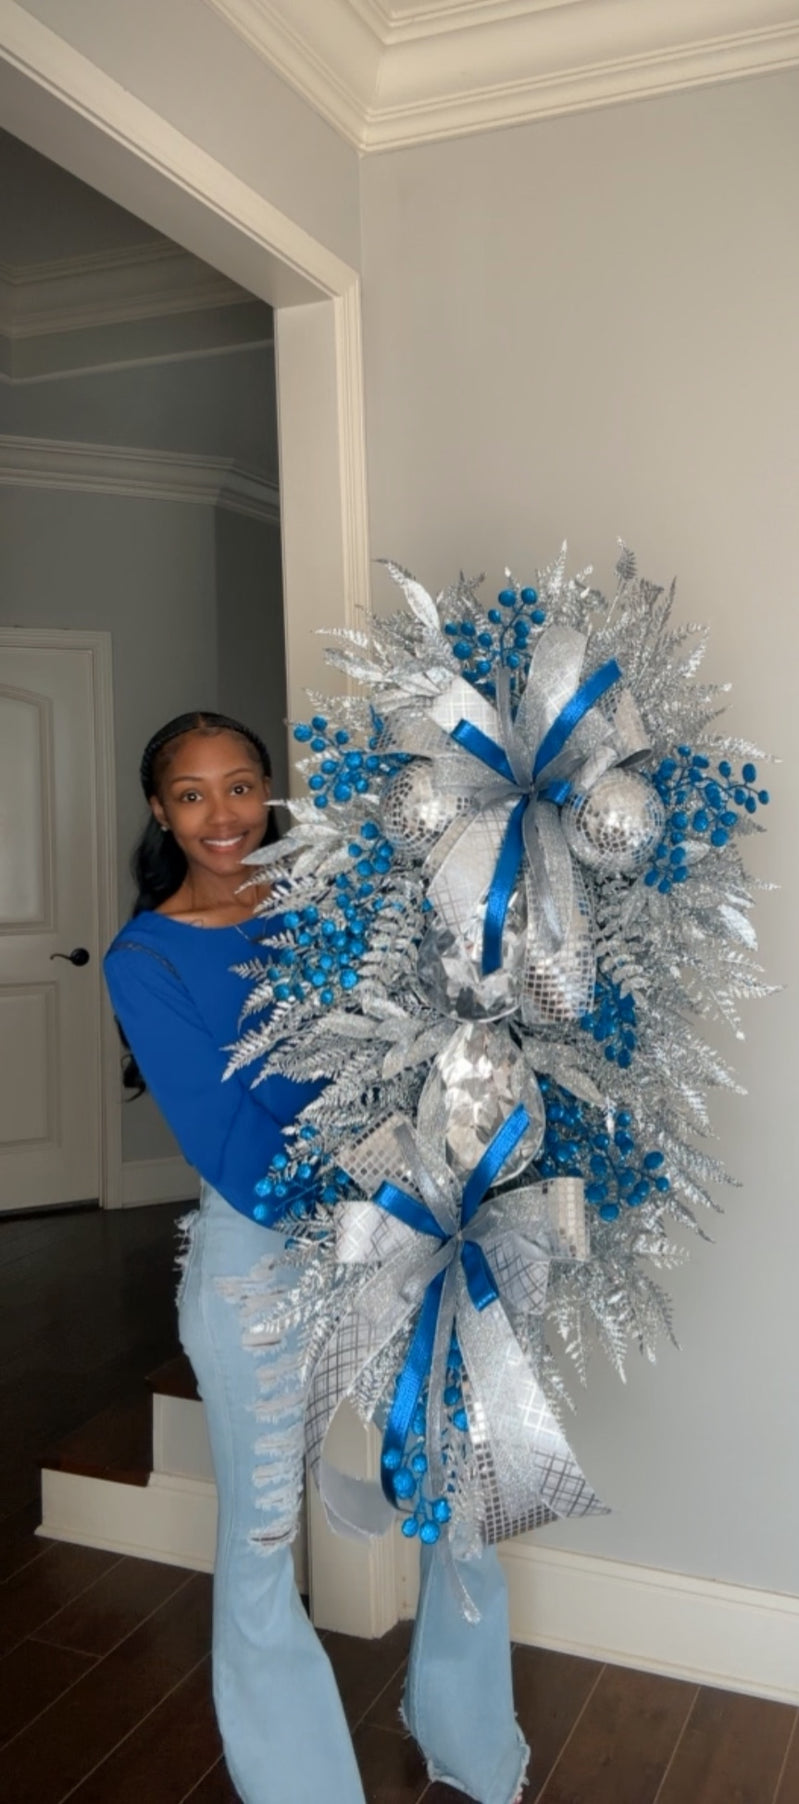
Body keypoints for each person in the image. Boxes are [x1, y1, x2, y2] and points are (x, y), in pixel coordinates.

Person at [104, 711, 526, 1804]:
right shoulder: (146, 956)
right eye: (192, 794)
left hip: (397, 1223)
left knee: (459, 1491)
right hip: (260, 1261)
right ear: (161, 811)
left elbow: (412, 1038)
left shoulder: (323, 911)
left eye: (240, 786)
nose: (222, 815)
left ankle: (473, 1748)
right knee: (257, 1544)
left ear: (269, 793)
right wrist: (364, 1203)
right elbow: (228, 1134)